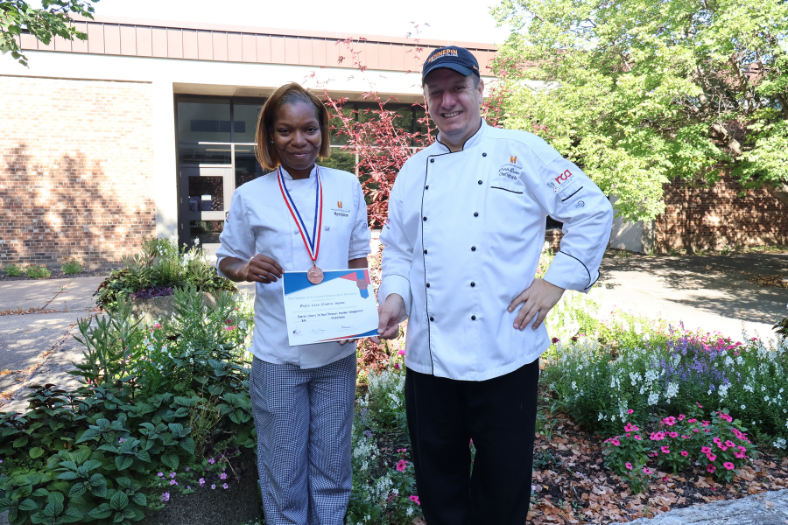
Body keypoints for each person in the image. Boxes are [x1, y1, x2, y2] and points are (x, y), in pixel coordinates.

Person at [377, 46, 614, 524]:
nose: (448, 101)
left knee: (503, 485)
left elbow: (592, 209)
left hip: (505, 351)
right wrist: (395, 296)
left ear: (479, 91)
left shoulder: (521, 150)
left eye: (458, 88)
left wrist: (556, 281)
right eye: (436, 92)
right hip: (430, 360)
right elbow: (399, 250)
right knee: (437, 484)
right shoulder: (413, 171)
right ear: (426, 100)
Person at [215, 83, 371, 524]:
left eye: (309, 129)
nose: (299, 141)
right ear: (269, 136)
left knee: (333, 467)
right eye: (285, 131)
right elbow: (225, 259)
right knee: (284, 471)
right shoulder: (252, 195)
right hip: (278, 354)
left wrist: (360, 316)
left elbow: (358, 259)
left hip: (337, 351)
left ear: (322, 132)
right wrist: (244, 268)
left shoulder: (347, 186)